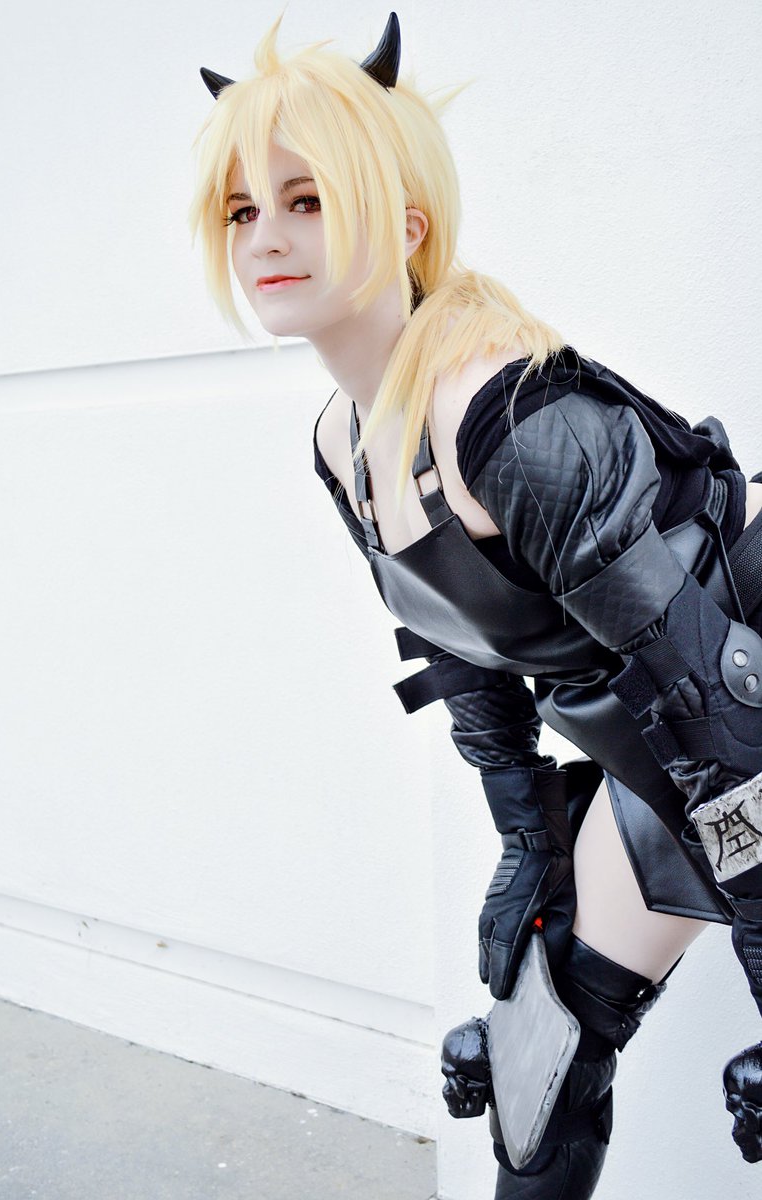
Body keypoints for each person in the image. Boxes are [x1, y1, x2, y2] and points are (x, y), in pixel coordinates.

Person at [190, 13, 762, 1197]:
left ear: (404, 225)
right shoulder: (349, 442)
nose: (265, 238)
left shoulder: (506, 419)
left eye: (307, 200)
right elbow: (463, 651)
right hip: (669, 732)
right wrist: (526, 844)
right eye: (242, 210)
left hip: (733, 702)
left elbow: (721, 710)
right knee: (533, 1068)